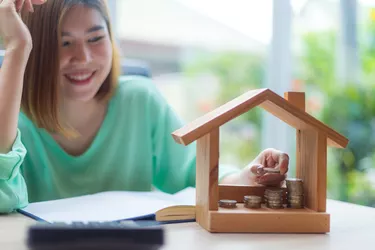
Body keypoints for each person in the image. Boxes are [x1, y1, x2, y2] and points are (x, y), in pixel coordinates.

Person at [0, 0, 289, 214]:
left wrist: (250, 176)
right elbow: (4, 200)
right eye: (64, 43)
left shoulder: (140, 101)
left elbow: (199, 174)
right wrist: (17, 47)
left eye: (96, 38)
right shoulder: (11, 115)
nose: (83, 57)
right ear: (36, 49)